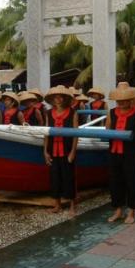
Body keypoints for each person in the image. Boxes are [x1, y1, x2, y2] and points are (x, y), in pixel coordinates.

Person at [106, 83, 135, 224]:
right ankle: (118, 210)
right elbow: (108, 130)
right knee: (115, 181)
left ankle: (131, 212)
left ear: (130, 99)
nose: (122, 102)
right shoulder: (111, 113)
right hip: (114, 152)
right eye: (119, 99)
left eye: (125, 99)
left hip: (130, 153)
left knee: (132, 181)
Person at [43, 85, 78, 217]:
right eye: (55, 97)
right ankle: (57, 204)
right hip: (53, 150)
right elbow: (46, 133)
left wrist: (73, 152)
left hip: (67, 149)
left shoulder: (73, 112)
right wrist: (45, 151)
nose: (58, 99)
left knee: (69, 177)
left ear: (65, 98)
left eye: (60, 96)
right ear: (52, 99)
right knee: (54, 177)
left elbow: (76, 133)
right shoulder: (48, 113)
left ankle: (72, 206)